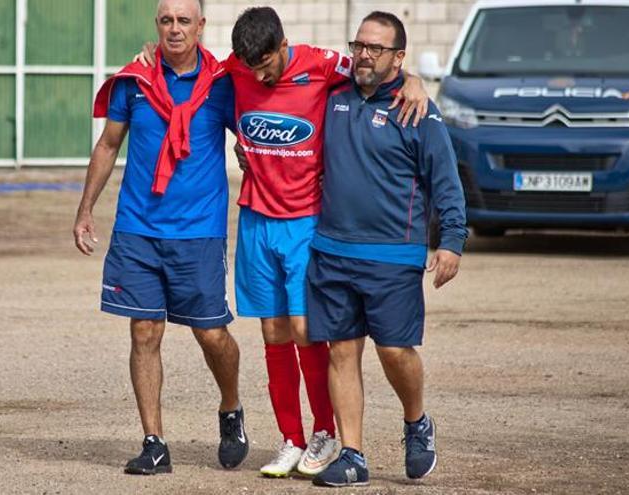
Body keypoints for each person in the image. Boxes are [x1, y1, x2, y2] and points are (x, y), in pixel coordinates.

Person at [136, 6, 430, 478]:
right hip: (255, 218)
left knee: (304, 328)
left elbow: (373, 69)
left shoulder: (320, 64)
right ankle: (290, 439)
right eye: (251, 67)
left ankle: (325, 432)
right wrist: (150, 55)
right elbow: (186, 60)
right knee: (272, 333)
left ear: (282, 46)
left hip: (305, 222)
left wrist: (412, 78)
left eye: (266, 65)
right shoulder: (233, 67)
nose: (259, 75)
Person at [72, 0, 248, 475]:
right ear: (157, 25)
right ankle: (154, 442)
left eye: (184, 21)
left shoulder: (221, 85)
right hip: (137, 228)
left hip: (199, 232)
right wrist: (86, 209)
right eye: (166, 20)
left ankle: (230, 409)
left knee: (211, 334)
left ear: (201, 27)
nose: (174, 29)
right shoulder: (134, 80)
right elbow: (109, 144)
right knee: (144, 330)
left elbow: (252, 134)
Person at [305, 11, 467, 487]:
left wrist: (452, 241)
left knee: (395, 352)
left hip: (393, 255)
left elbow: (446, 182)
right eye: (359, 45)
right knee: (341, 352)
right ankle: (353, 453)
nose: (364, 54)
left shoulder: (418, 109)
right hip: (331, 249)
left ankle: (416, 421)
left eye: (376, 48)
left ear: (399, 57)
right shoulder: (332, 95)